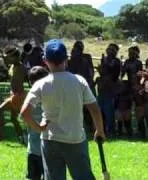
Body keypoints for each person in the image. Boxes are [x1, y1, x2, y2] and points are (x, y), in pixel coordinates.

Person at [20, 39, 105, 180]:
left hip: (49, 140)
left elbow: (24, 113)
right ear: (66, 59)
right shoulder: (79, 81)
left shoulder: (40, 84)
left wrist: (38, 128)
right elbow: (94, 108)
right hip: (75, 139)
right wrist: (99, 130)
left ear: (45, 61)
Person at [0, 47, 26, 142]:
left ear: (16, 57)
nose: (7, 59)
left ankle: (1, 136)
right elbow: (11, 77)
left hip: (17, 96)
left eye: (9, 57)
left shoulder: (20, 67)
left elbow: (17, 81)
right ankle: (22, 138)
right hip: (14, 95)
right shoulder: (13, 66)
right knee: (13, 119)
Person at [24, 66, 48, 180]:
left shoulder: (30, 98)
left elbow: (23, 116)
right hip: (44, 147)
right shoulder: (51, 96)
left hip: (36, 148)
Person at [68, 41, 95, 134]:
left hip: (84, 84)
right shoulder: (71, 60)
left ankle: (90, 127)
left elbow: (91, 71)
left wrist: (90, 82)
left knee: (87, 108)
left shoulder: (86, 57)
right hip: (74, 85)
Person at [97, 43, 121, 136]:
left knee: (109, 111)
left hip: (110, 89)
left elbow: (114, 74)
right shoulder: (104, 59)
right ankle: (101, 129)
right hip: (102, 88)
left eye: (112, 50)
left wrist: (105, 67)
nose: (109, 51)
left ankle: (111, 130)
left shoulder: (116, 61)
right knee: (100, 110)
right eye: (108, 49)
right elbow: (102, 72)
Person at [121, 46, 144, 138]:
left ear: (136, 53)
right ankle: (129, 130)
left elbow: (140, 75)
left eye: (132, 53)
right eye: (129, 53)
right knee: (127, 109)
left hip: (137, 87)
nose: (130, 54)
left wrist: (139, 86)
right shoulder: (126, 62)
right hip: (129, 87)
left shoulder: (138, 63)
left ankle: (140, 130)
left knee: (139, 109)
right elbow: (122, 74)